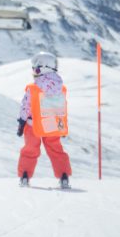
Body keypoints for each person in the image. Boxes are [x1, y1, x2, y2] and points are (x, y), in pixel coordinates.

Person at [17, 51, 71, 189]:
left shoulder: (33, 88)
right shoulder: (61, 88)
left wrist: (21, 122)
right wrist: (62, 126)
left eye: (35, 68)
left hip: (33, 125)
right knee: (56, 151)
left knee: (30, 150)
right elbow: (61, 108)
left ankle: (25, 176)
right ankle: (64, 176)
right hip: (52, 126)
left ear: (43, 67)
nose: (34, 71)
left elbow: (26, 106)